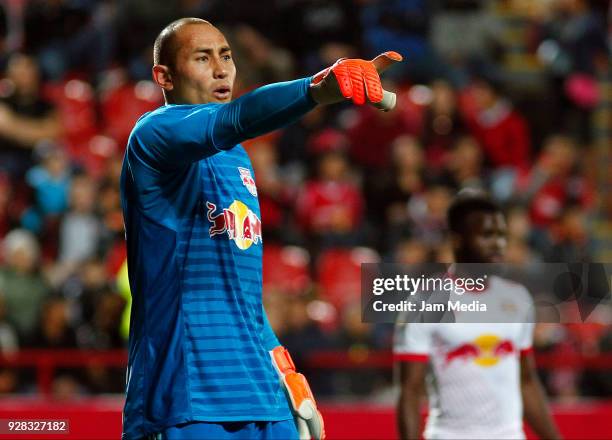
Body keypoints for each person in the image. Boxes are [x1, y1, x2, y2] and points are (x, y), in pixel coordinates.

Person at [120, 17, 401, 440]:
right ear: (165, 76)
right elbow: (236, 117)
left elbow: (243, 293)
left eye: (227, 56)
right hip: (187, 401)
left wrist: (287, 374)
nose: (221, 70)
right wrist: (318, 88)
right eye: (202, 58)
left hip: (264, 400)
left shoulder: (237, 159)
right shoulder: (153, 135)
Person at [394, 190, 561, 439]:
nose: (499, 244)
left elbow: (525, 381)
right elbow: (410, 391)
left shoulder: (518, 298)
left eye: (502, 236)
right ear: (457, 239)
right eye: (487, 235)